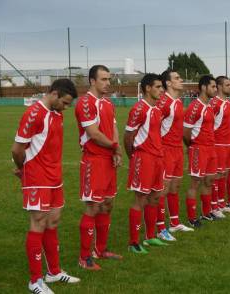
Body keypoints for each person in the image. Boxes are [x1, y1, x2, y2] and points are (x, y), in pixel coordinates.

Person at [12, 79, 80, 293]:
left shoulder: (56, 113)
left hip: (54, 177)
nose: (66, 108)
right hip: (37, 178)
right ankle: (35, 280)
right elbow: (17, 149)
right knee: (38, 222)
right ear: (54, 94)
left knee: (53, 221)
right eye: (65, 103)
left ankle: (54, 272)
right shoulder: (35, 113)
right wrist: (24, 170)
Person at [75, 65, 123, 270]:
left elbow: (113, 127)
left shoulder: (107, 103)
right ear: (92, 81)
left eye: (109, 79)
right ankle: (84, 258)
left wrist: (116, 151)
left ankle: (100, 250)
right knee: (93, 206)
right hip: (93, 161)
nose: (108, 83)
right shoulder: (85, 102)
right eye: (103, 79)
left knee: (107, 204)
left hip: (108, 160)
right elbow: (93, 133)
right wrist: (114, 147)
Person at [124, 73, 167, 254]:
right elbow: (128, 136)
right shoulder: (138, 109)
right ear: (148, 88)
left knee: (155, 196)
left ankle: (150, 237)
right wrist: (133, 156)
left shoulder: (156, 109)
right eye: (157, 87)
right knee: (140, 199)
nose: (161, 90)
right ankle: (134, 242)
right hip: (143, 158)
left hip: (158, 158)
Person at [155, 70, 193, 242]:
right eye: (177, 78)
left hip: (177, 150)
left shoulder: (177, 102)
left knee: (175, 187)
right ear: (168, 83)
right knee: (162, 190)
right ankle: (160, 228)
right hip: (165, 150)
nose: (181, 80)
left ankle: (175, 223)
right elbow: (153, 125)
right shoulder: (163, 102)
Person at [183, 75, 217, 227]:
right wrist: (192, 145)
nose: (215, 90)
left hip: (211, 148)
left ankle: (206, 212)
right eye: (213, 86)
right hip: (199, 149)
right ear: (203, 87)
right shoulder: (194, 107)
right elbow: (185, 131)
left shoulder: (209, 105)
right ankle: (192, 217)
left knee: (209, 181)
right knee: (194, 183)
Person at [209, 76, 230, 218]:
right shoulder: (215, 104)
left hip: (228, 144)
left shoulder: (228, 103)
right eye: (227, 84)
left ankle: (221, 203)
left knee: (224, 174)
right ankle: (213, 206)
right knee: (216, 176)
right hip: (218, 144)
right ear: (218, 86)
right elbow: (209, 126)